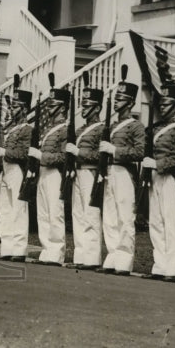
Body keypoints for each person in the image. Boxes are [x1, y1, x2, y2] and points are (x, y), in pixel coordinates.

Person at [140, 83, 175, 282]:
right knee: (156, 222)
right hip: (155, 177)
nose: (162, 107)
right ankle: (159, 265)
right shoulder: (156, 128)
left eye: (167, 103)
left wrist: (158, 163)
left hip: (172, 178)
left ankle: (172, 268)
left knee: (170, 223)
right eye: (161, 103)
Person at [98, 72, 146, 275]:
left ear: (130, 102)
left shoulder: (135, 126)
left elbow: (139, 152)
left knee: (125, 217)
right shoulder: (113, 126)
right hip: (110, 171)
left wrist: (114, 151)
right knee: (109, 216)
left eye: (121, 99)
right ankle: (112, 256)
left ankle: (124, 260)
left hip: (125, 172)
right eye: (116, 98)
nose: (117, 102)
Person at [67, 84, 104, 269]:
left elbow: (101, 156)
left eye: (88, 105)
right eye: (83, 104)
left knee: (90, 215)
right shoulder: (81, 129)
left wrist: (79, 153)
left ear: (97, 108)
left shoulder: (101, 129)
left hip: (91, 172)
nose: (84, 109)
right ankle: (80, 255)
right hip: (79, 172)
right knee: (78, 215)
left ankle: (91, 257)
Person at [36, 81, 70, 265]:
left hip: (55, 173)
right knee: (43, 213)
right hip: (43, 172)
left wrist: (42, 156)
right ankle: (46, 249)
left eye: (53, 106)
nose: (49, 109)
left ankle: (56, 251)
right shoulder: (48, 129)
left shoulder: (64, 129)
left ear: (62, 108)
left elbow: (63, 157)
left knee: (54, 212)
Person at [0, 88, 32, 261]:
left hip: (17, 169)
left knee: (18, 210)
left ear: (25, 109)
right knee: (6, 209)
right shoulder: (10, 128)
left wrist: (3, 152)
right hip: (6, 169)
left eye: (16, 106)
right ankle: (7, 247)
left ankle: (19, 248)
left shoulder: (26, 129)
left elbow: (23, 153)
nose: (12, 109)